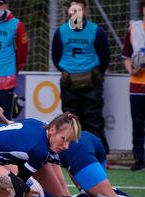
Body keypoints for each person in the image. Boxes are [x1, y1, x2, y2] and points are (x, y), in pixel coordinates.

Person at [52, 0, 110, 154]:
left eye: (79, 8)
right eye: (73, 8)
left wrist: (94, 74)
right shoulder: (61, 31)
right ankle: (68, 153)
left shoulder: (96, 31)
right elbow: (56, 57)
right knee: (69, 119)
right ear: (68, 11)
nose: (76, 12)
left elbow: (104, 57)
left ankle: (98, 153)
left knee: (93, 120)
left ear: (85, 10)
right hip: (69, 83)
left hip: (91, 83)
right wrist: (68, 72)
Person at [122, 0, 145, 171]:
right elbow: (126, 56)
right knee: (138, 124)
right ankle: (139, 158)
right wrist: (132, 70)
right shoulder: (134, 29)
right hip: (137, 85)